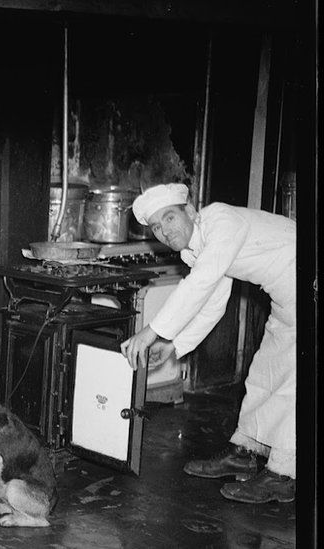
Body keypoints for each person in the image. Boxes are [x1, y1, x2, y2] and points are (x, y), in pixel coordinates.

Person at [119, 183, 295, 504]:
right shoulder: (199, 246)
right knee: (265, 371)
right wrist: (175, 345)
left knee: (292, 381)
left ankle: (283, 474)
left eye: (169, 218)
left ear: (190, 211)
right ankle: (246, 452)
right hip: (287, 298)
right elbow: (214, 301)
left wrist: (152, 332)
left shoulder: (221, 223)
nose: (164, 231)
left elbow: (200, 284)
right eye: (157, 227)